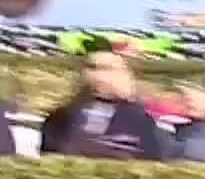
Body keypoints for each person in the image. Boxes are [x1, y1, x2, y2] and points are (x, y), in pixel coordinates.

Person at [39, 51, 168, 160]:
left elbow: (151, 161)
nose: (98, 76)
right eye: (92, 68)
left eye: (107, 69)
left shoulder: (141, 120)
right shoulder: (59, 118)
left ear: (126, 75)